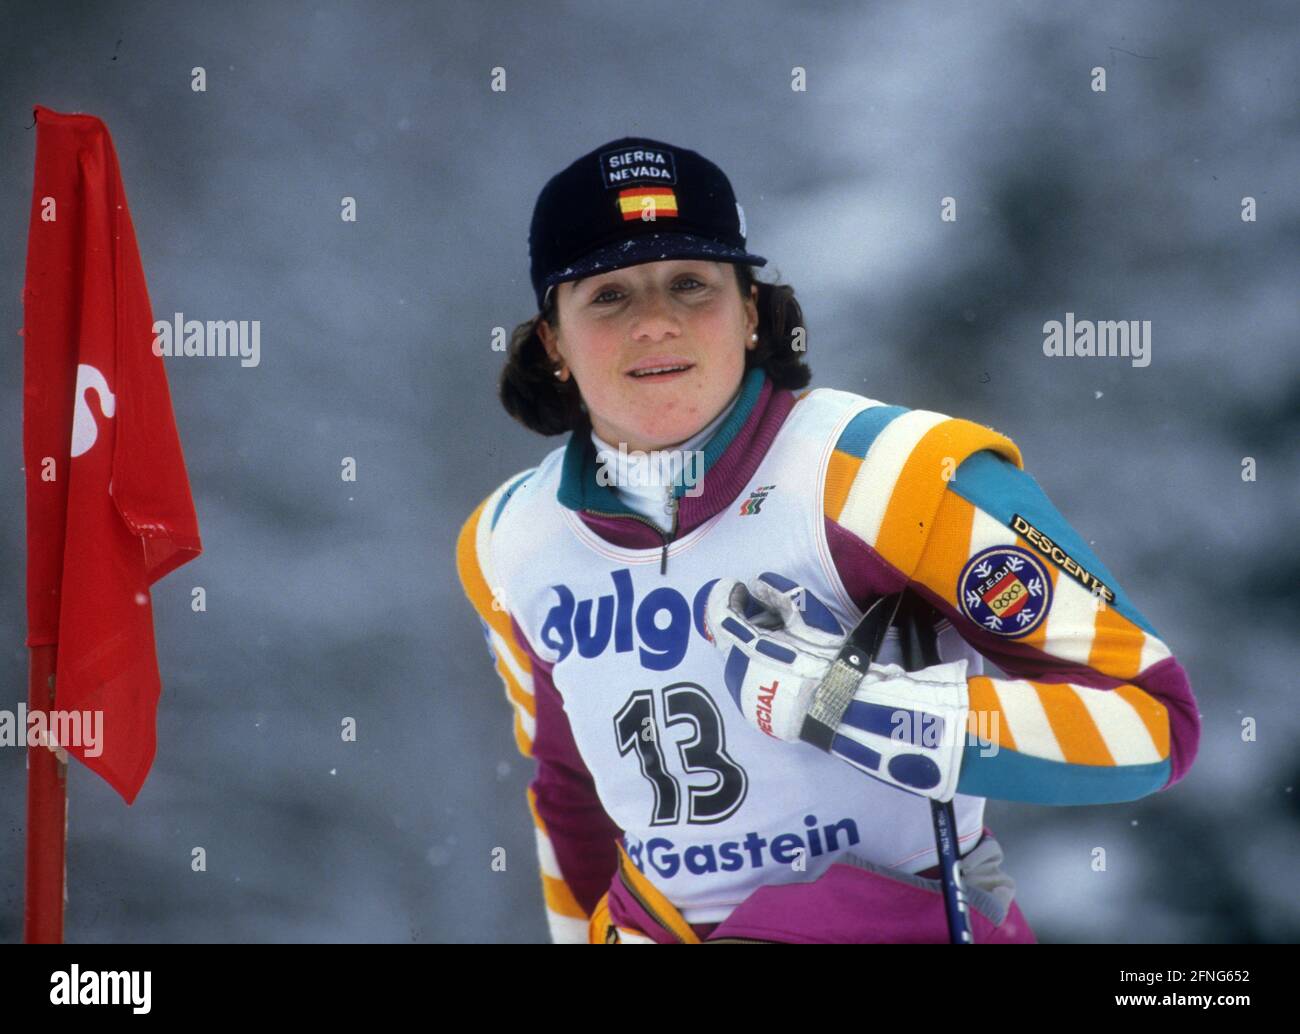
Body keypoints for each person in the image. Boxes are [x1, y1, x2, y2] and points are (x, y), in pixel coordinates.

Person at [454, 136, 1200, 944]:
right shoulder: (507, 541)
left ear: (749, 311)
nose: (657, 323)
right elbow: (568, 790)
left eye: (690, 284)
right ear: (552, 341)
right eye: (609, 297)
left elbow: (1153, 722)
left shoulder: (895, 474)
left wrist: (870, 712)